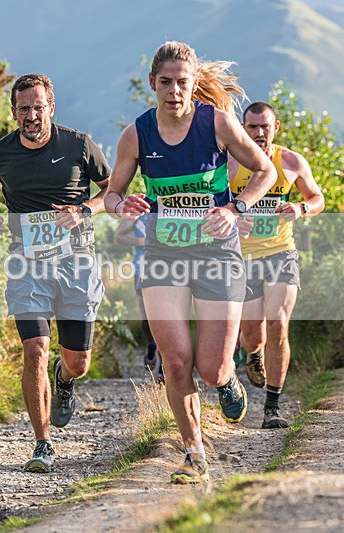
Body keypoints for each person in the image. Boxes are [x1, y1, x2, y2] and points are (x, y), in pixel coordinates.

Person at [104, 41, 277, 484]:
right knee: (175, 361)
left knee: (210, 367)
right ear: (153, 84)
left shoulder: (217, 123)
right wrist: (123, 205)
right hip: (164, 255)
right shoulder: (135, 135)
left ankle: (227, 380)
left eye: (183, 82)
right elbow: (111, 195)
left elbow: (265, 171)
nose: (174, 91)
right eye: (166, 83)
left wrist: (234, 209)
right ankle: (194, 453)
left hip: (217, 254)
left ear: (194, 83)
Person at [0, 74, 111, 473]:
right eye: (23, 109)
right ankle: (42, 443)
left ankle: (64, 381)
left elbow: (111, 189)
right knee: (34, 348)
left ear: (52, 106)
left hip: (76, 262)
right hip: (26, 263)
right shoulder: (1, 152)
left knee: (78, 361)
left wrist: (84, 210)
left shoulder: (78, 144)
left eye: (37, 107)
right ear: (13, 112)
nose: (31, 116)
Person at [230, 101, 325, 428]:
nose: (257, 133)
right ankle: (253, 354)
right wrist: (233, 220)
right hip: (243, 258)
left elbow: (317, 198)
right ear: (243, 128)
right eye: (251, 127)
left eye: (264, 127)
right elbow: (213, 202)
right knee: (253, 334)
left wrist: (301, 209)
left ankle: (272, 407)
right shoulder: (230, 162)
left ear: (276, 127)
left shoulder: (291, 161)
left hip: (281, 253)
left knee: (279, 324)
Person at [114, 213, 163, 382]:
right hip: (141, 268)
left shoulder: (174, 202)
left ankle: (164, 365)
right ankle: (152, 345)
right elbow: (119, 236)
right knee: (147, 316)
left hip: (169, 267)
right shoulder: (141, 206)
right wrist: (141, 241)